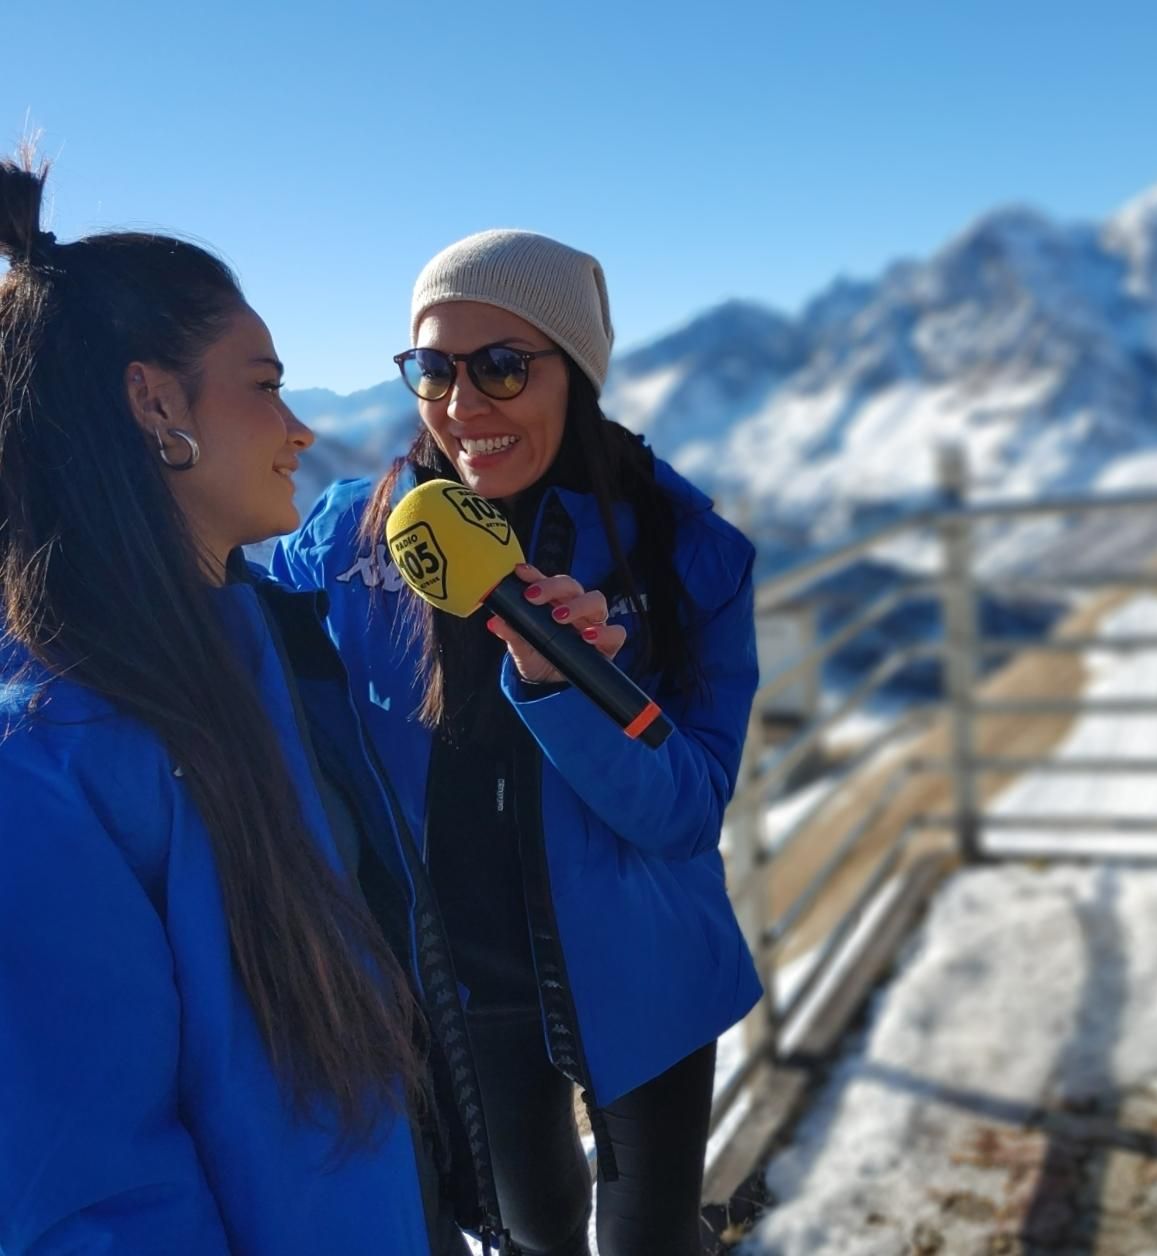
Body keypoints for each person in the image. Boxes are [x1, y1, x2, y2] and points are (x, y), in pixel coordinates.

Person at [0, 158, 509, 1254]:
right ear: (155, 403)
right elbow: (89, 1203)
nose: (299, 428)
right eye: (266, 384)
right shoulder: (44, 757)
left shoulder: (262, 646)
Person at [271, 228, 764, 1254]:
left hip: (649, 970)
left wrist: (560, 684)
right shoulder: (355, 534)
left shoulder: (686, 553)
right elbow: (205, 596)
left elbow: (687, 811)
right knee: (533, 1232)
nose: (461, 406)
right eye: (433, 368)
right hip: (464, 983)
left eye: (501, 365)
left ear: (575, 371)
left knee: (650, 1239)